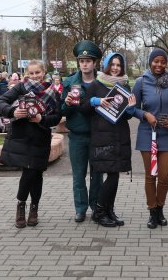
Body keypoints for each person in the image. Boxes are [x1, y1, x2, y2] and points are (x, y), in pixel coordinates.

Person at [0, 60, 62, 228]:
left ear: (44, 72)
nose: (34, 76)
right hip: (22, 137)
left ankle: (34, 209)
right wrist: (13, 111)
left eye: (37, 72)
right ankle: (21, 205)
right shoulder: (20, 88)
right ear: (26, 74)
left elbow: (57, 116)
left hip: (41, 137)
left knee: (37, 174)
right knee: (28, 172)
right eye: (31, 73)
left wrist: (42, 119)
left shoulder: (52, 92)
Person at [81, 52, 136, 227]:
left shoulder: (125, 86)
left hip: (120, 135)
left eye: (119, 65)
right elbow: (83, 107)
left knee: (116, 175)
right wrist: (96, 101)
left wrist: (131, 108)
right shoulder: (96, 84)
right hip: (102, 136)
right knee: (111, 175)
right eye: (112, 64)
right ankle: (99, 210)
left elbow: (127, 116)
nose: (115, 68)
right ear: (106, 65)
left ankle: (109, 210)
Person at [131, 49, 168, 229]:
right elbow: (131, 108)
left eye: (162, 62)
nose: (159, 65)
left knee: (165, 175)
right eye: (155, 61)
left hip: (167, 134)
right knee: (151, 175)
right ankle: (152, 212)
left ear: (166, 64)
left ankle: (160, 209)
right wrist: (145, 115)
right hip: (147, 133)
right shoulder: (141, 82)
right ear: (150, 62)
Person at [61, 40, 103, 223]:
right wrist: (67, 103)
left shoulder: (102, 82)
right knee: (79, 175)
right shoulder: (70, 82)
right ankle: (80, 208)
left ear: (95, 63)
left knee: (97, 175)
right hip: (77, 136)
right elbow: (61, 111)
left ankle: (96, 207)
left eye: (88, 60)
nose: (84, 64)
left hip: (97, 135)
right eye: (81, 60)